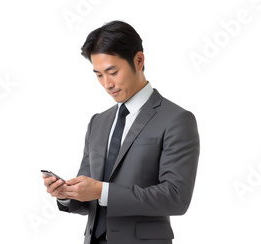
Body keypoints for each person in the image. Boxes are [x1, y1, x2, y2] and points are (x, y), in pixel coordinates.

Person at [43, 20, 200, 244]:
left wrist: (102, 191)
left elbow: (175, 197)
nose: (107, 84)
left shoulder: (176, 119)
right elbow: (89, 194)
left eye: (113, 72)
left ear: (138, 60)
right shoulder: (97, 122)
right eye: (98, 75)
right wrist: (67, 195)